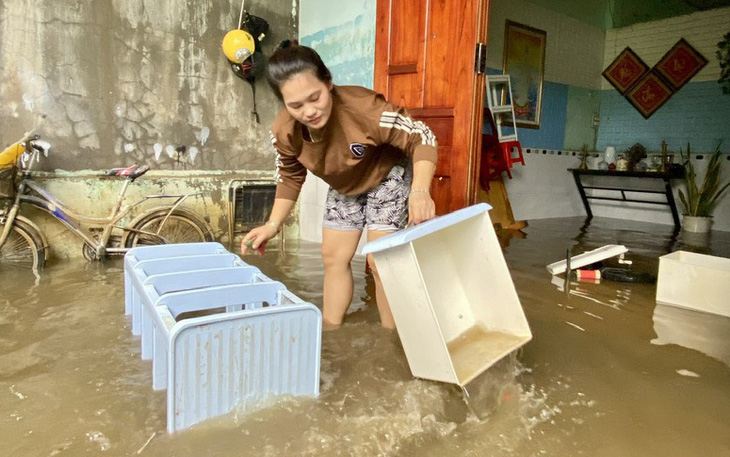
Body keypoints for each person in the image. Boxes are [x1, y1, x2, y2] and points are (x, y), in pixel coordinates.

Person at [241, 41, 438, 329]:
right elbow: (291, 176)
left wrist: (420, 191)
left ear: (329, 83)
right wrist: (272, 225)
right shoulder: (284, 132)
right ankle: (331, 331)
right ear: (284, 103)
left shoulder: (365, 109)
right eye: (296, 105)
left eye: (315, 97)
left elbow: (422, 136)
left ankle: (391, 339)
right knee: (333, 257)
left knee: (380, 262)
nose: (309, 111)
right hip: (345, 184)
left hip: (387, 176)